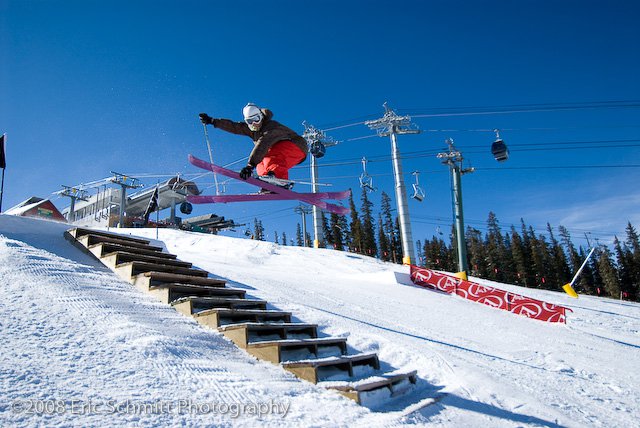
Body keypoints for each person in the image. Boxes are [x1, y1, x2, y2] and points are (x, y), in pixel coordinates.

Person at [199, 103, 307, 182]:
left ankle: (279, 179)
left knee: (270, 156)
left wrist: (250, 165)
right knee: (261, 165)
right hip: (288, 155)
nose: (254, 123)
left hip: (296, 145)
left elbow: (263, 144)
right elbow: (235, 127)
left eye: (256, 119)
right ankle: (268, 182)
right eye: (250, 121)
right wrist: (213, 121)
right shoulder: (251, 129)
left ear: (261, 116)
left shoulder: (270, 127)